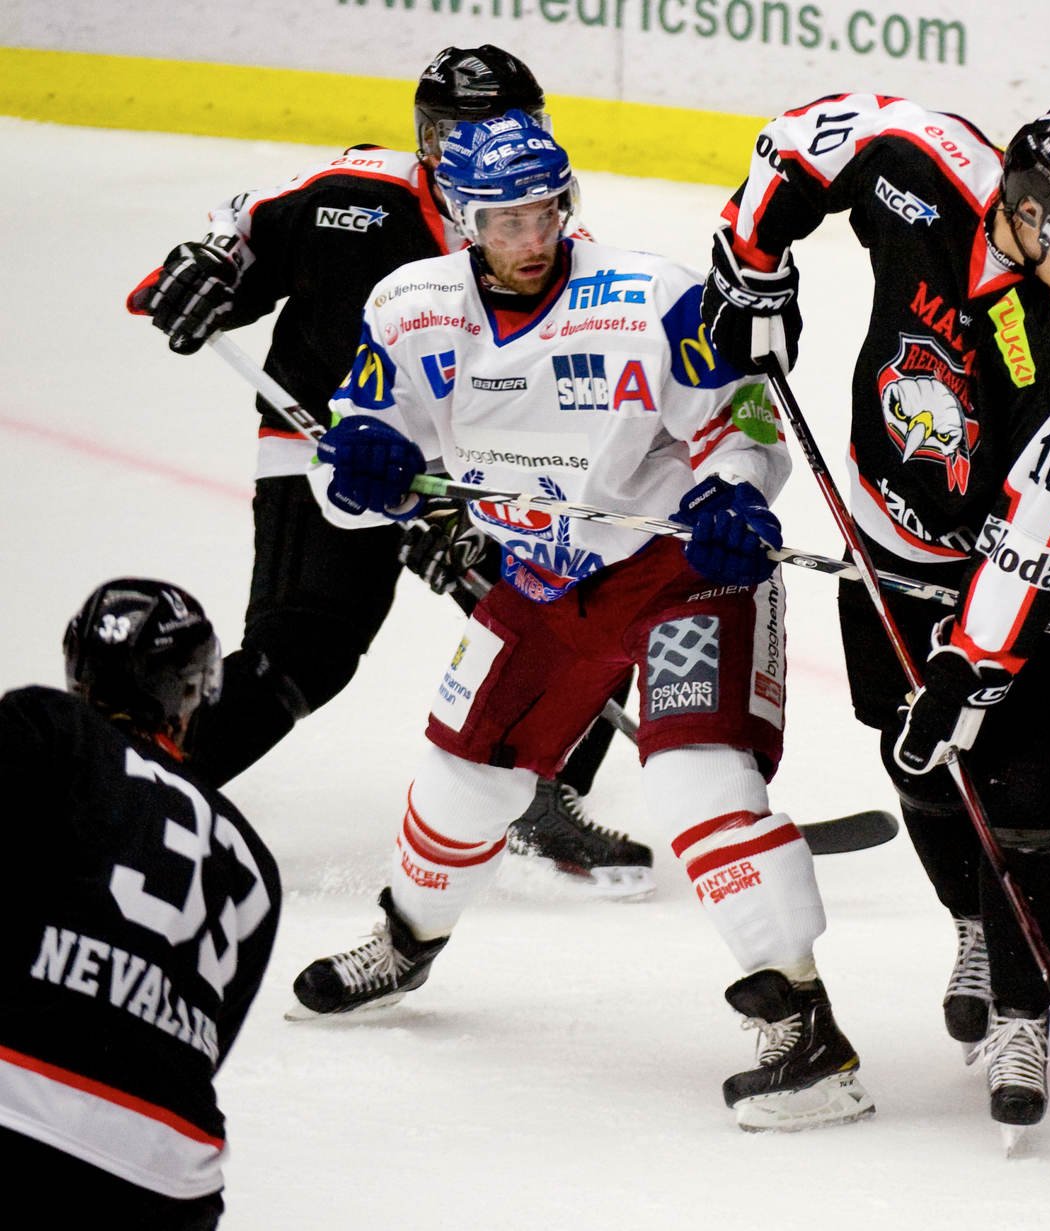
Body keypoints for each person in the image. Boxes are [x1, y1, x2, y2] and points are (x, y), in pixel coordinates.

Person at [290, 113, 873, 1132]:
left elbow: (743, 419)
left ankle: (805, 1033)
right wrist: (363, 468)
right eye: (507, 217)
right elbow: (349, 463)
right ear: (465, 220)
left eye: (549, 207)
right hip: (541, 577)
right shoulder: (412, 310)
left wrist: (736, 493)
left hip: (681, 570)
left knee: (696, 777)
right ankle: (406, 940)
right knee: (461, 774)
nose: (534, 234)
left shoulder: (651, 296)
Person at [702, 96, 1050, 1132]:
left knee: (1036, 807)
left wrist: (971, 662)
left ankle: (1024, 1011)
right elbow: (796, 148)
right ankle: (975, 927)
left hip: (1029, 576)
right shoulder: (924, 165)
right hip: (889, 543)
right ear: (1028, 212)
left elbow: (1039, 522)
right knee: (924, 765)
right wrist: (753, 261)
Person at [125, 44, 649, 894]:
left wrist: (480, 516)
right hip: (322, 444)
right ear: (423, 136)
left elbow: (564, 406)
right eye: (453, 131)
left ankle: (537, 792)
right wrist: (208, 267)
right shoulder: (350, 195)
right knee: (305, 650)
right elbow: (239, 234)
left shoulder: (553, 244)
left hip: (469, 473)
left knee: (583, 587)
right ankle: (126, 794)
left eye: (507, 129)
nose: (477, 153)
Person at [0, 579, 280, 1227]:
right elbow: (196, 1047)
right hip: (169, 1171)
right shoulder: (252, 862)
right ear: (192, 693)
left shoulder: (48, 728)